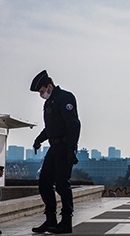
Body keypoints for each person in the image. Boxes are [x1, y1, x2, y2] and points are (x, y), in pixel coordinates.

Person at [30, 70, 81, 234]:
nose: (41, 95)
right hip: (54, 147)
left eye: (42, 91)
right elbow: (51, 128)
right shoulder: (50, 102)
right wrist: (39, 140)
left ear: (49, 85)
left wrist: (71, 149)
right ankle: (50, 219)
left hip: (64, 147)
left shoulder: (65, 97)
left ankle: (66, 221)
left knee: (62, 184)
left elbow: (74, 124)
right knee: (44, 183)